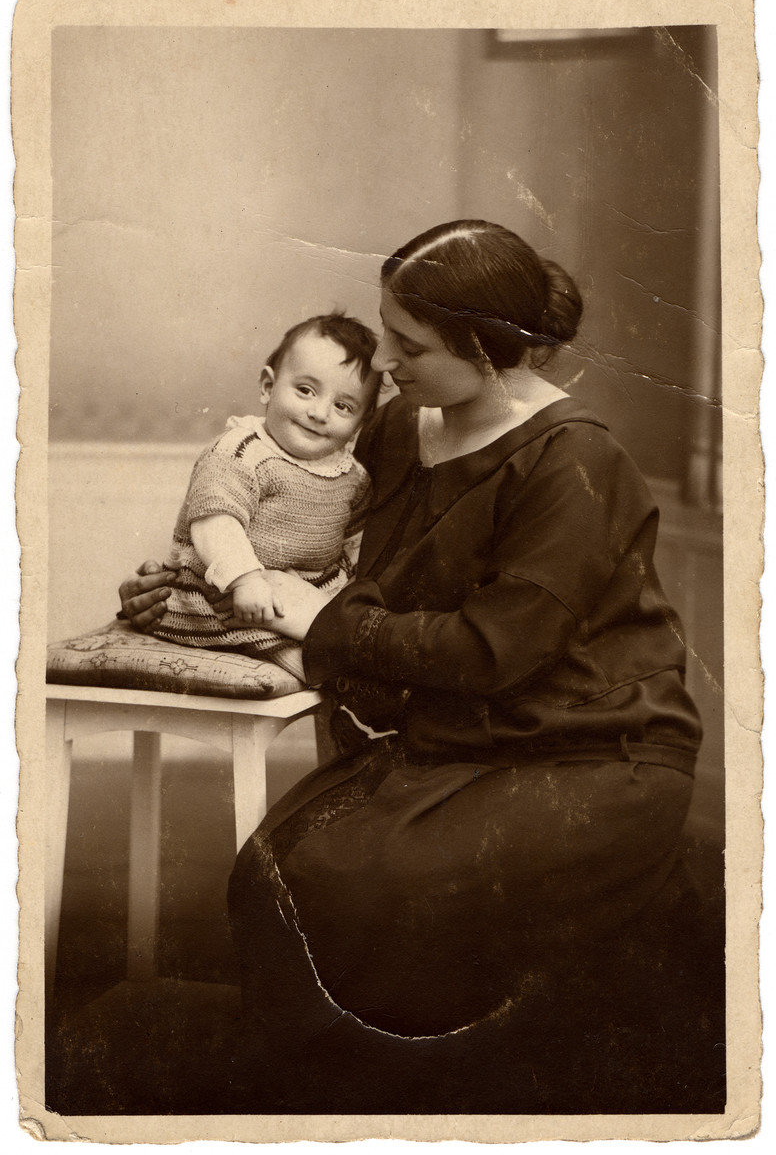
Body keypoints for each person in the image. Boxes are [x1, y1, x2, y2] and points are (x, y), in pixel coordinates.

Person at [120, 221, 722, 1114]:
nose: (386, 363)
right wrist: (202, 576)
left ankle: (429, 1106)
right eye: (385, 330)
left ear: (488, 348)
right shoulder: (403, 426)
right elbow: (303, 520)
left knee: (377, 890)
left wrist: (319, 623)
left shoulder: (577, 461)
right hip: (454, 728)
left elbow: (488, 652)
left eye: (411, 345)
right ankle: (332, 1090)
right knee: (285, 868)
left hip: (593, 750)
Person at [153, 312, 380, 680]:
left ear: (361, 422)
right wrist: (245, 581)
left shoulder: (351, 477)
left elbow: (356, 544)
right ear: (267, 387)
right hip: (226, 597)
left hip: (302, 596)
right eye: (305, 390)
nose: (319, 413)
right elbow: (215, 522)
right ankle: (332, 683)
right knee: (323, 667)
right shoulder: (241, 452)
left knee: (347, 638)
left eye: (343, 406)